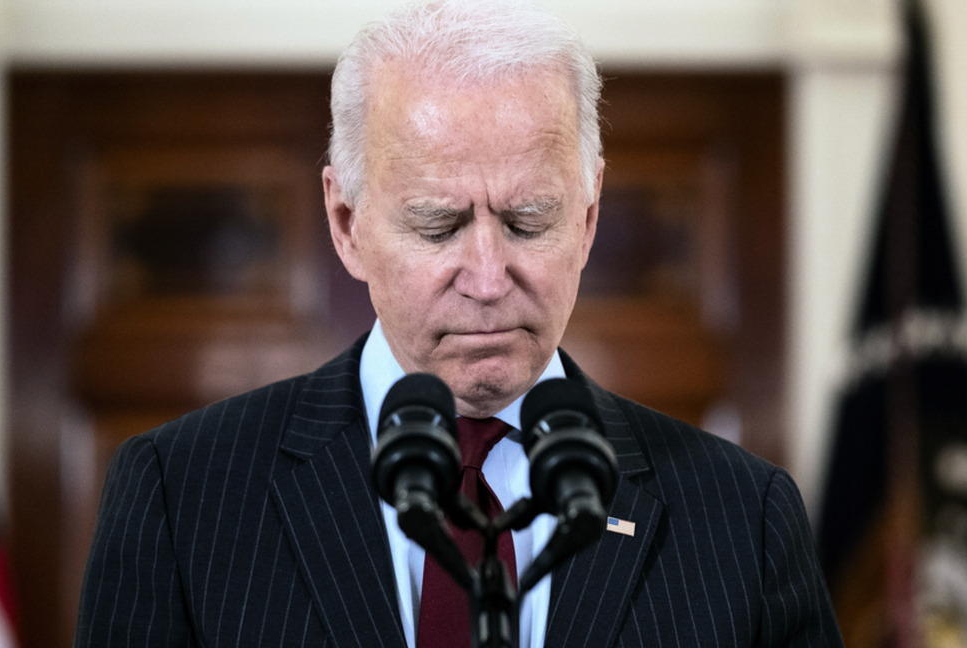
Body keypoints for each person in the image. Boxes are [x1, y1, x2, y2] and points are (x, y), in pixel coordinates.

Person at [74, 1, 844, 647]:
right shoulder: (183, 496)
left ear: (588, 217)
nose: (485, 279)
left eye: (528, 220)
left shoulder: (743, 517)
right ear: (347, 224)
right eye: (438, 225)